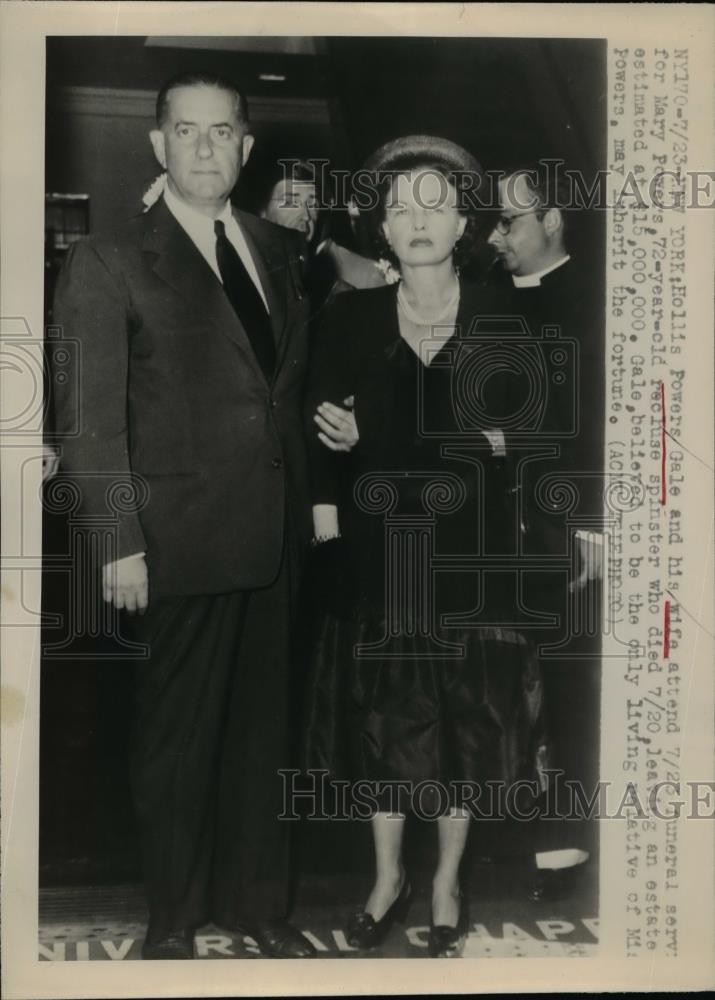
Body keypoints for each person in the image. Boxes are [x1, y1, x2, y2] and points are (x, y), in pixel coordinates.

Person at [52, 71, 317, 959]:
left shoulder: (279, 249)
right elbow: (89, 418)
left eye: (223, 132)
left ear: (247, 146)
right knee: (175, 742)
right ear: (158, 144)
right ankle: (171, 919)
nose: (206, 148)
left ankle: (255, 905)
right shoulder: (110, 257)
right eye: (186, 131)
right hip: (173, 542)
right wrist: (116, 540)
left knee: (260, 736)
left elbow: (282, 395)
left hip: (272, 538)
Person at [304, 136, 549, 958]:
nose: (416, 220)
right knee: (384, 724)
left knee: (462, 728)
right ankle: (386, 880)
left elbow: (529, 437)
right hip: (381, 555)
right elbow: (323, 433)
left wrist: (396, 438)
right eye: (399, 206)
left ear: (463, 223)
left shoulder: (504, 316)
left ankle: (444, 880)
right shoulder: (348, 316)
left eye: (433, 205)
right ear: (380, 224)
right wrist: (342, 452)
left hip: (470, 559)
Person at [486, 164, 604, 899]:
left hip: (566, 525)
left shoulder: (595, 301)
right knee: (505, 684)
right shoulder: (491, 301)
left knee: (563, 685)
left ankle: (565, 845)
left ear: (552, 222)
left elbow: (598, 421)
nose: (496, 236)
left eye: (510, 222)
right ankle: (515, 833)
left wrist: (592, 527)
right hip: (497, 526)